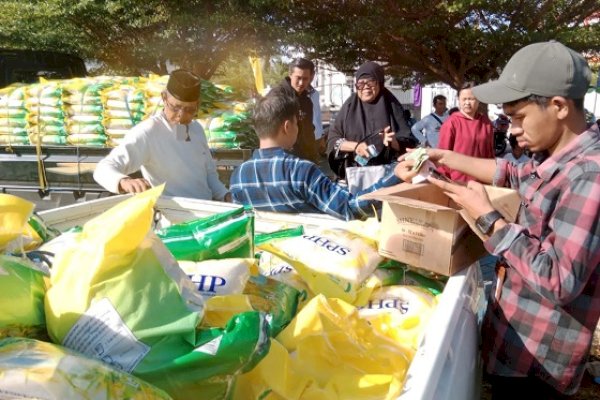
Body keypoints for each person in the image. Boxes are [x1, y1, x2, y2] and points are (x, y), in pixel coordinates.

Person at [397, 40, 600, 399]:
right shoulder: (552, 156)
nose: (512, 130)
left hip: (539, 364)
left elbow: (559, 279)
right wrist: (439, 155)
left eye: (519, 118)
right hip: (513, 342)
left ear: (558, 106)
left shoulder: (589, 176)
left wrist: (489, 219)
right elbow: (507, 171)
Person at [229, 88, 405, 221]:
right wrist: (394, 176)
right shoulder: (300, 171)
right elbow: (348, 208)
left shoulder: (238, 177)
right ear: (287, 126)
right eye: (297, 124)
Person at [94, 69, 230, 201]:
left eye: (189, 110)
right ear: (164, 98)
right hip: (173, 217)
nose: (181, 116)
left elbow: (209, 174)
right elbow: (103, 168)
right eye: (175, 107)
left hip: (207, 212)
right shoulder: (148, 132)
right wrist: (124, 181)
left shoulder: (195, 129)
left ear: (197, 106)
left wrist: (225, 195)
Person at [326, 61, 416, 180]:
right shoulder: (349, 107)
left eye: (371, 81)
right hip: (354, 177)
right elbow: (333, 140)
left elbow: (408, 145)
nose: (366, 87)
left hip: (387, 178)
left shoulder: (392, 106)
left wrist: (393, 142)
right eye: (361, 83)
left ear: (380, 83)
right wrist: (355, 146)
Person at [437, 81, 495, 182]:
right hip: (458, 181)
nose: (467, 102)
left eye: (471, 99)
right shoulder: (451, 123)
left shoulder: (486, 123)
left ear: (478, 100)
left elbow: (490, 154)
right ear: (458, 100)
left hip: (483, 181)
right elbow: (442, 155)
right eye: (464, 99)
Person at [275, 57, 320, 163]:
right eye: (298, 78)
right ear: (290, 75)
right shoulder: (277, 98)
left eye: (305, 79)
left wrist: (313, 155)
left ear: (311, 77)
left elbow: (309, 130)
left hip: (306, 159)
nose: (301, 83)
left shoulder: (307, 101)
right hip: (284, 160)